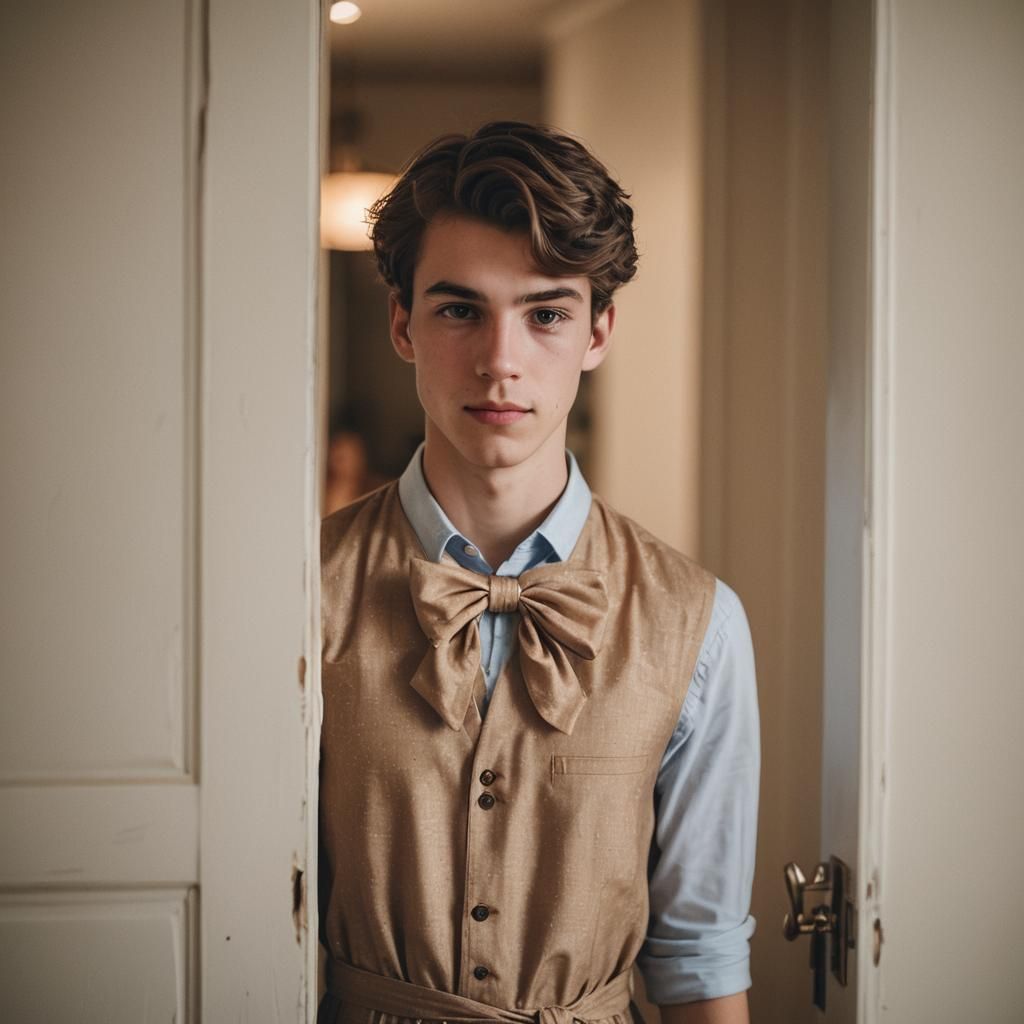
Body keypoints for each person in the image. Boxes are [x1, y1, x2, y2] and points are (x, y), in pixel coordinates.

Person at [319, 122, 760, 1024]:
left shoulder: (700, 624)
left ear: (598, 330)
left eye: (546, 313)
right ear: (402, 323)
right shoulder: (298, 593)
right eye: (459, 309)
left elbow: (699, 954)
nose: (501, 361)